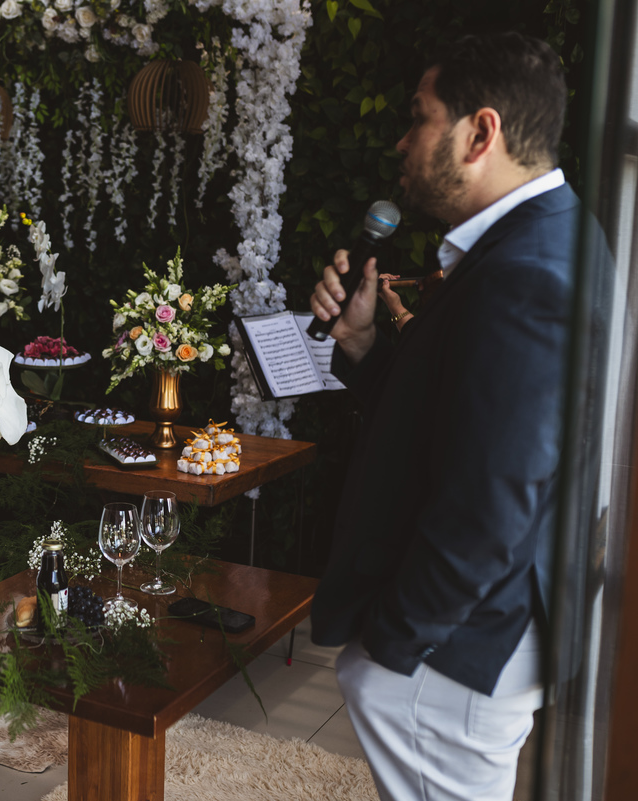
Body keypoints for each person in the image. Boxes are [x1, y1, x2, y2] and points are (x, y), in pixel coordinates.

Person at [308, 32, 578, 801]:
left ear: (480, 133)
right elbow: (455, 418)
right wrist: (362, 343)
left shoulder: (526, 273)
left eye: (419, 117)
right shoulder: (542, 239)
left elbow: (495, 499)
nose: (401, 139)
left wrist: (396, 646)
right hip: (480, 633)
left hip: (457, 652)